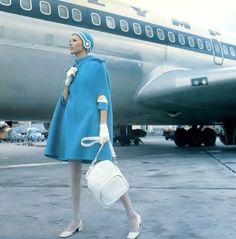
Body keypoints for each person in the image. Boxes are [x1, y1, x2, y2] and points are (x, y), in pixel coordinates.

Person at [44, 32, 141, 239]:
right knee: (73, 174)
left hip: (91, 125)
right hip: (73, 124)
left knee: (108, 170)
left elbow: (103, 96)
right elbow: (64, 100)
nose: (70, 43)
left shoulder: (97, 65)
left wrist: (103, 127)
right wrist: (67, 81)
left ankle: (132, 216)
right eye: (69, 40)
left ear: (86, 43)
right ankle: (76, 219)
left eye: (74, 40)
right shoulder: (73, 68)